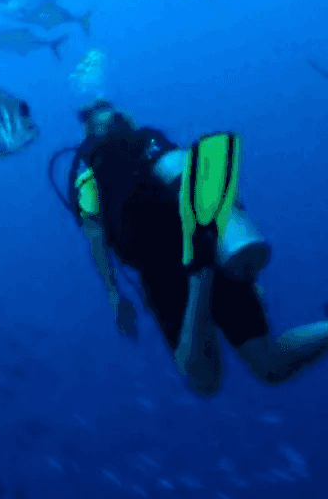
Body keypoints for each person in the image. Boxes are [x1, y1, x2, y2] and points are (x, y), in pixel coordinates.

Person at [67, 99, 328, 396]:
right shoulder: (153, 147)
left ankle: (199, 280)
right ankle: (201, 275)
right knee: (270, 363)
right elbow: (205, 186)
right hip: (210, 248)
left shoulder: (88, 179)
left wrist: (115, 296)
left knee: (204, 381)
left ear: (87, 132)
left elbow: (96, 238)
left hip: (162, 277)